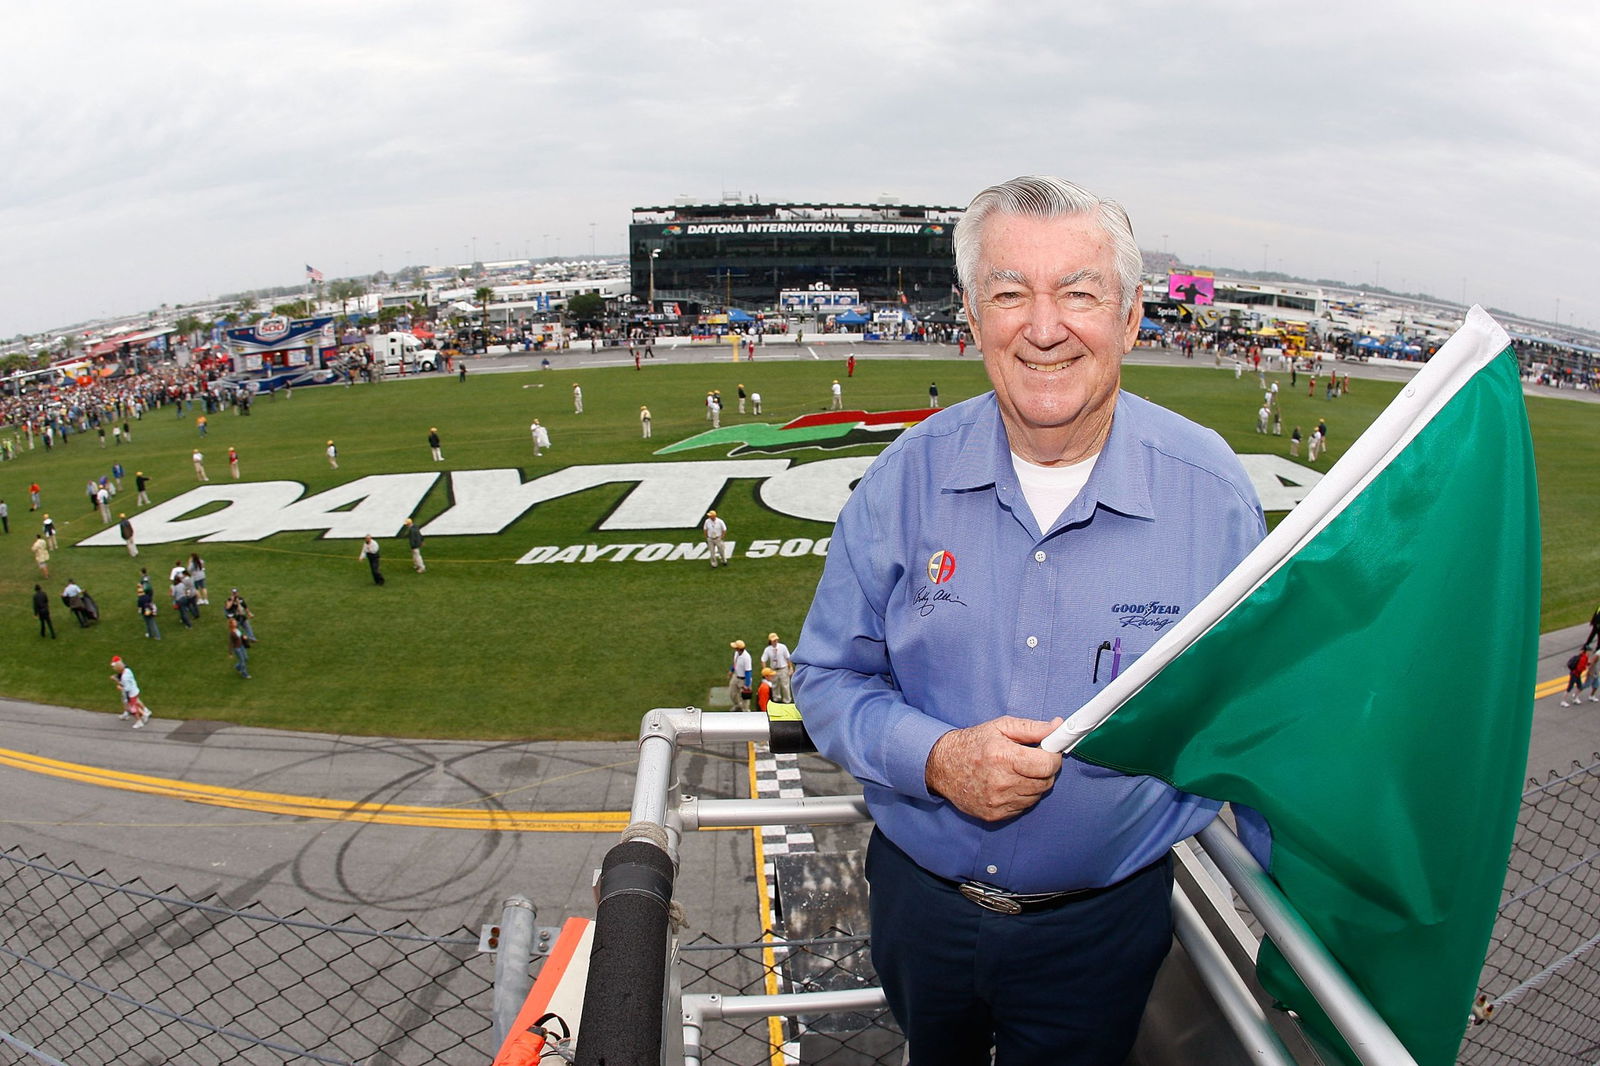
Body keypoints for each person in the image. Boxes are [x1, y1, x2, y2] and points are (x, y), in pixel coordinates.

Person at [792, 175, 1267, 1066]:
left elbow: (1264, 724)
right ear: (972, 320)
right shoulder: (904, 478)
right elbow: (825, 677)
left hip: (1105, 928)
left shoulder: (1215, 502)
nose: (1044, 327)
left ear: (1129, 321)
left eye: (1079, 293)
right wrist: (935, 758)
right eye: (1011, 294)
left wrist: (1318, 929)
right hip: (918, 907)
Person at [110, 656, 152, 729]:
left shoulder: (124, 677)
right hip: (135, 690)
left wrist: (120, 687)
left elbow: (127, 688)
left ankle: (140, 720)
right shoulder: (128, 670)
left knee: (133, 709)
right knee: (135, 704)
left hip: (131, 694)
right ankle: (144, 713)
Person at [761, 632, 794, 703]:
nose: (775, 642)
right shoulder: (768, 649)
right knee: (775, 686)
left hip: (783, 669)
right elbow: (763, 660)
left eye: (776, 640)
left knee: (785, 685)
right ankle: (776, 700)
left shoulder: (783, 647)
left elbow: (788, 658)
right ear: (770, 641)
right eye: (773, 640)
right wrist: (765, 670)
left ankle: (787, 700)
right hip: (773, 670)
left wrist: (790, 668)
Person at [726, 639, 753, 711]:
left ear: (738, 649)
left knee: (745, 698)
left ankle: (746, 710)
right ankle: (737, 705)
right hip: (736, 676)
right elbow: (735, 663)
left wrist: (747, 685)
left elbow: (748, 672)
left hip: (744, 679)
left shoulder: (746, 658)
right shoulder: (736, 653)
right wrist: (731, 671)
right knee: (732, 694)